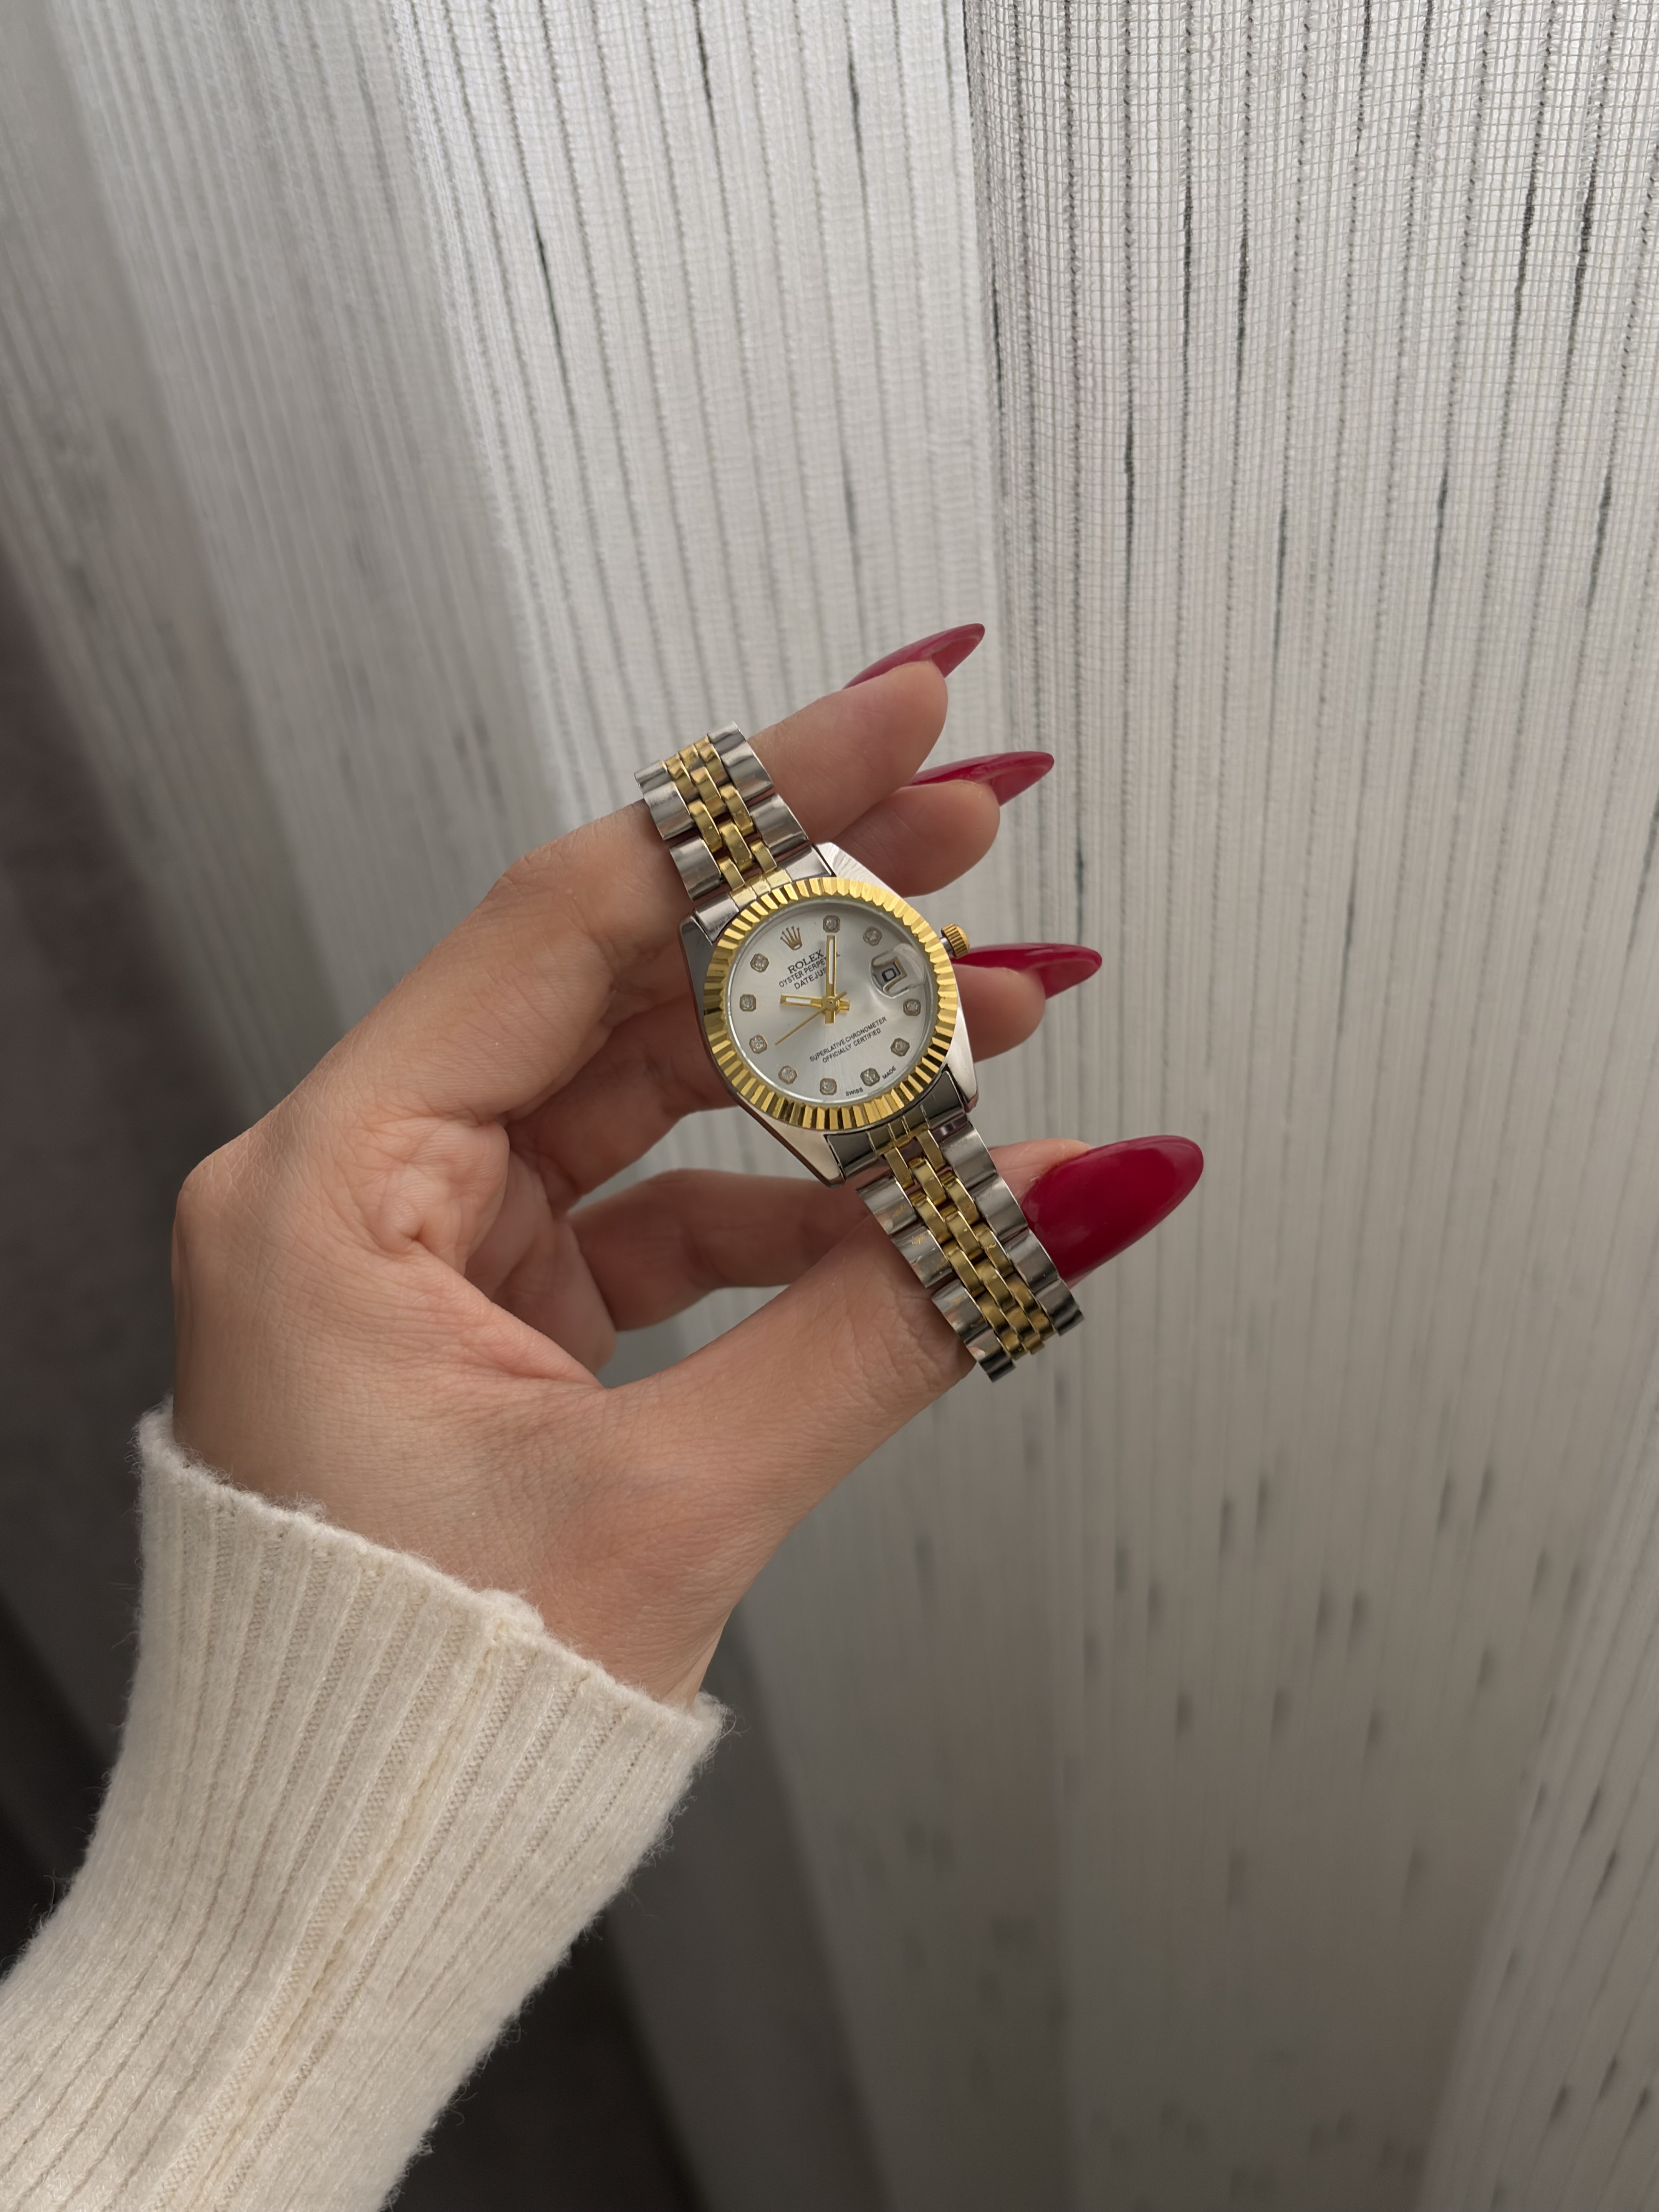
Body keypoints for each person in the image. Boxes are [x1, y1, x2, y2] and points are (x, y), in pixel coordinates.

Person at [0, 634, 1200, 2210]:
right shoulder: (771, 1031)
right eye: (799, 999)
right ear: (764, 1053)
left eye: (842, 980)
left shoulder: (785, 1013)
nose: (820, 997)